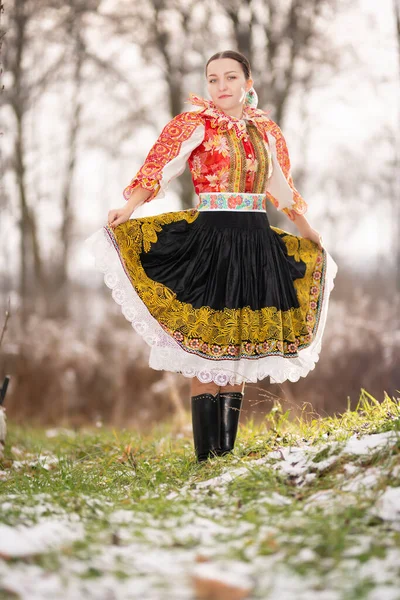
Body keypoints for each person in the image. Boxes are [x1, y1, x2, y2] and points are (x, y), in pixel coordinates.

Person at [87, 50, 338, 463]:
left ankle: (225, 455)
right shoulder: (195, 124)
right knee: (207, 353)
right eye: (213, 79)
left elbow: (283, 189)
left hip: (255, 244)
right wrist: (129, 208)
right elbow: (159, 166)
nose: (221, 87)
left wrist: (308, 231)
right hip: (211, 242)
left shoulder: (266, 132)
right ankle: (207, 459)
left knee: (235, 349)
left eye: (230, 78)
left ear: (248, 83)